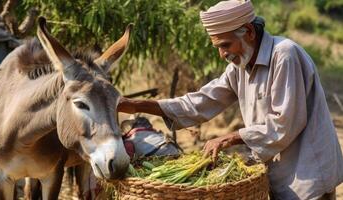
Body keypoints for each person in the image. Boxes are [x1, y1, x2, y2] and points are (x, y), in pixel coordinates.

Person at [117, 0, 343, 199]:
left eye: (225, 45)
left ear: (249, 32)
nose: (222, 54)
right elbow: (201, 102)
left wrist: (229, 138)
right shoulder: (240, 66)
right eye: (217, 47)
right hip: (280, 175)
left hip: (308, 176)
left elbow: (284, 124)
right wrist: (135, 105)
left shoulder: (284, 55)